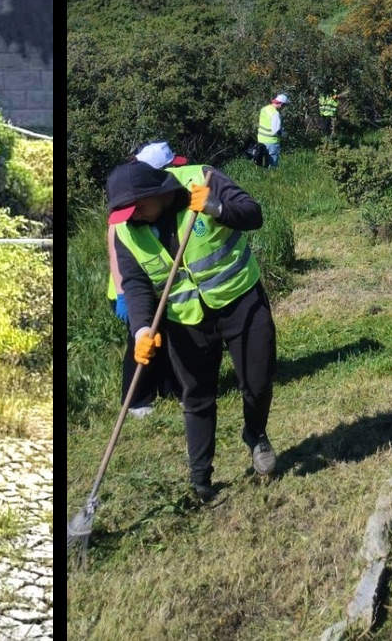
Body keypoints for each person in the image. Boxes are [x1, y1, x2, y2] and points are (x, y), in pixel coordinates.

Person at [109, 156, 276, 503]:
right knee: (196, 397)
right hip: (186, 319)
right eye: (125, 214)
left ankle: (255, 433)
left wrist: (217, 207)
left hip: (240, 299)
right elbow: (137, 284)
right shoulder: (127, 230)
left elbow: (253, 214)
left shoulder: (202, 178)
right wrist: (141, 330)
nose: (133, 218)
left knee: (257, 383)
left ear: (155, 192)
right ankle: (201, 481)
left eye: (137, 209)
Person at [108, 141, 186, 419]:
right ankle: (136, 400)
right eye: (169, 168)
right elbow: (117, 257)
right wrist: (120, 294)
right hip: (128, 288)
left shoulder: (157, 204)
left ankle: (172, 389)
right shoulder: (129, 202)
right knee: (140, 342)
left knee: (164, 337)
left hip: (155, 285)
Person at [256, 93, 288, 168]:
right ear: (281, 104)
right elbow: (276, 132)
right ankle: (271, 177)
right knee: (272, 166)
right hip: (271, 142)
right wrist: (284, 134)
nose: (284, 107)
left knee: (262, 163)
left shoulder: (264, 109)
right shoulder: (275, 114)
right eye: (284, 105)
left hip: (261, 140)